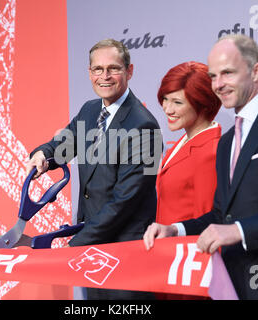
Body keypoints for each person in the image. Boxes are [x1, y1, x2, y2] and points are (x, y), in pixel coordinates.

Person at [143, 34, 258, 299]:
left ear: (256, 71)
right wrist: (176, 229)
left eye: (228, 73)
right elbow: (221, 215)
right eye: (213, 76)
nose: (218, 85)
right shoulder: (228, 141)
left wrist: (238, 231)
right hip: (239, 282)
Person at [26, 39, 161, 300]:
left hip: (125, 254)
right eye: (97, 69)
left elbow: (125, 202)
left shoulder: (146, 127)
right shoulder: (90, 110)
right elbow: (64, 145)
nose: (105, 76)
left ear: (129, 71)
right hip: (92, 252)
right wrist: (43, 154)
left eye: (113, 68)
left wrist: (75, 244)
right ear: (90, 73)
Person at [155, 61, 221, 226]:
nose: (167, 109)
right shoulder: (185, 141)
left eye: (177, 102)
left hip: (186, 248)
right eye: (165, 99)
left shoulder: (209, 153)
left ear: (203, 104)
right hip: (167, 247)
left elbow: (206, 223)